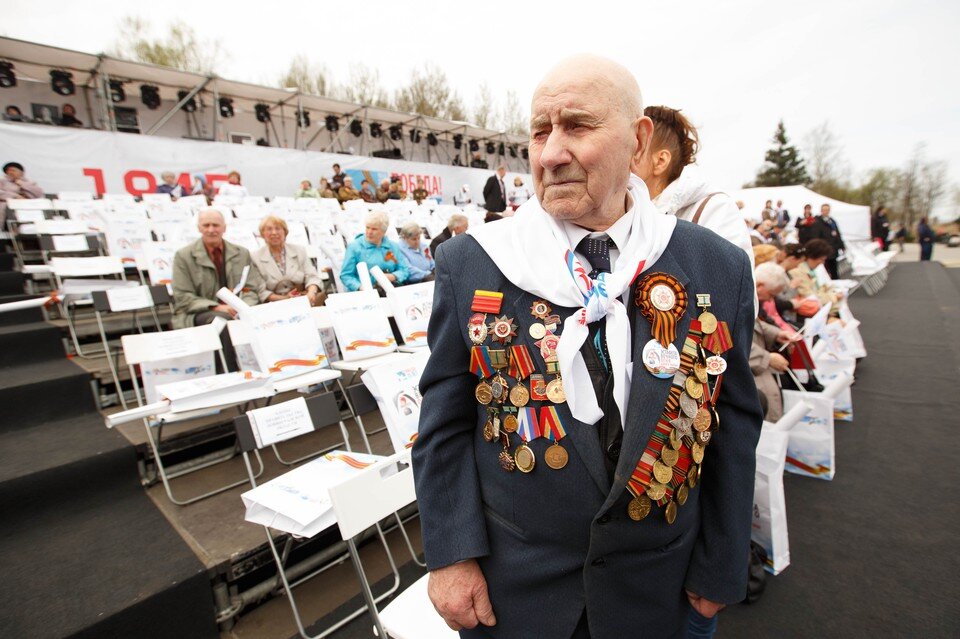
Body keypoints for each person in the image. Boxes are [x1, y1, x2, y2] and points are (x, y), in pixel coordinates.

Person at [412, 55, 761, 638]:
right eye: (540, 131)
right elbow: (444, 423)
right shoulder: (471, 264)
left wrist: (721, 564)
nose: (550, 153)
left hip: (663, 591)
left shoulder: (714, 267)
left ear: (639, 140)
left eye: (577, 126)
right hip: (518, 596)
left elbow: (734, 420)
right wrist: (451, 554)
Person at [634, 106, 754, 266]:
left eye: (634, 149)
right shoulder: (626, 211)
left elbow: (730, 286)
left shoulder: (715, 210)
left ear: (660, 161)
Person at [171, 208, 262, 330]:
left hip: (240, 309)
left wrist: (242, 308)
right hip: (199, 312)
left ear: (224, 228)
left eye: (215, 225)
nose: (211, 230)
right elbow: (183, 296)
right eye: (206, 225)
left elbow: (250, 289)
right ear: (199, 228)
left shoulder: (241, 253)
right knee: (223, 321)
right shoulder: (183, 256)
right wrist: (216, 307)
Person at [751, 263, 794, 422]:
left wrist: (777, 334)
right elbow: (731, 337)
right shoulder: (743, 294)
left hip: (755, 362)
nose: (771, 299)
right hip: (749, 369)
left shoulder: (750, 296)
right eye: (771, 294)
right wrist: (767, 358)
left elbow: (755, 323)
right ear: (760, 285)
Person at [253, 215, 325, 305]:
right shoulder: (255, 257)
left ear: (285, 232)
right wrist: (286, 298)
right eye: (269, 229)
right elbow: (261, 291)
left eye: (278, 228)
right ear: (262, 234)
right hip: (274, 305)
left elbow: (312, 277)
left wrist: (311, 292)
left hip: (304, 301)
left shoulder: (299, 250)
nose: (274, 232)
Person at [339, 210, 410, 292]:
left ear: (384, 231)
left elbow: (404, 270)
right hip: (364, 294)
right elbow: (346, 275)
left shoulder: (393, 246)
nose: (369, 232)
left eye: (374, 229)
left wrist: (393, 276)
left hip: (390, 290)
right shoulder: (354, 247)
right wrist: (360, 287)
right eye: (367, 227)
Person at [788, 239, 841, 314]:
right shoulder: (798, 272)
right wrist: (833, 296)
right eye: (822, 259)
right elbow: (810, 296)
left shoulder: (808, 270)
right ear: (812, 257)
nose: (822, 263)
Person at [815, 204, 844, 279]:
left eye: (827, 210)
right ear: (821, 211)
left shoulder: (832, 221)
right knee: (825, 271)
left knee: (834, 270)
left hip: (833, 249)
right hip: (824, 250)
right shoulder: (818, 222)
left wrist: (841, 245)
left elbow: (837, 234)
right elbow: (816, 236)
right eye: (824, 210)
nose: (826, 212)